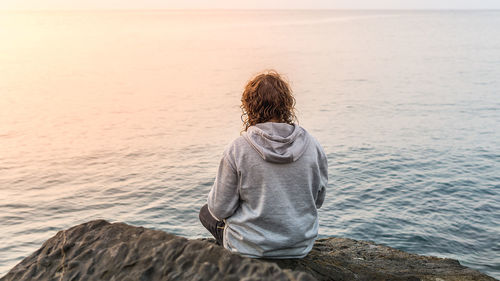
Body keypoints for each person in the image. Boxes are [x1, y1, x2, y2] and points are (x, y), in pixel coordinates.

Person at [199, 70, 328, 258]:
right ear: (287, 104)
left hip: (251, 248)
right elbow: (318, 201)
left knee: (206, 212)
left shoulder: (238, 148)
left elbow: (220, 209)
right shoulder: (313, 145)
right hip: (299, 246)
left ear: (249, 106)